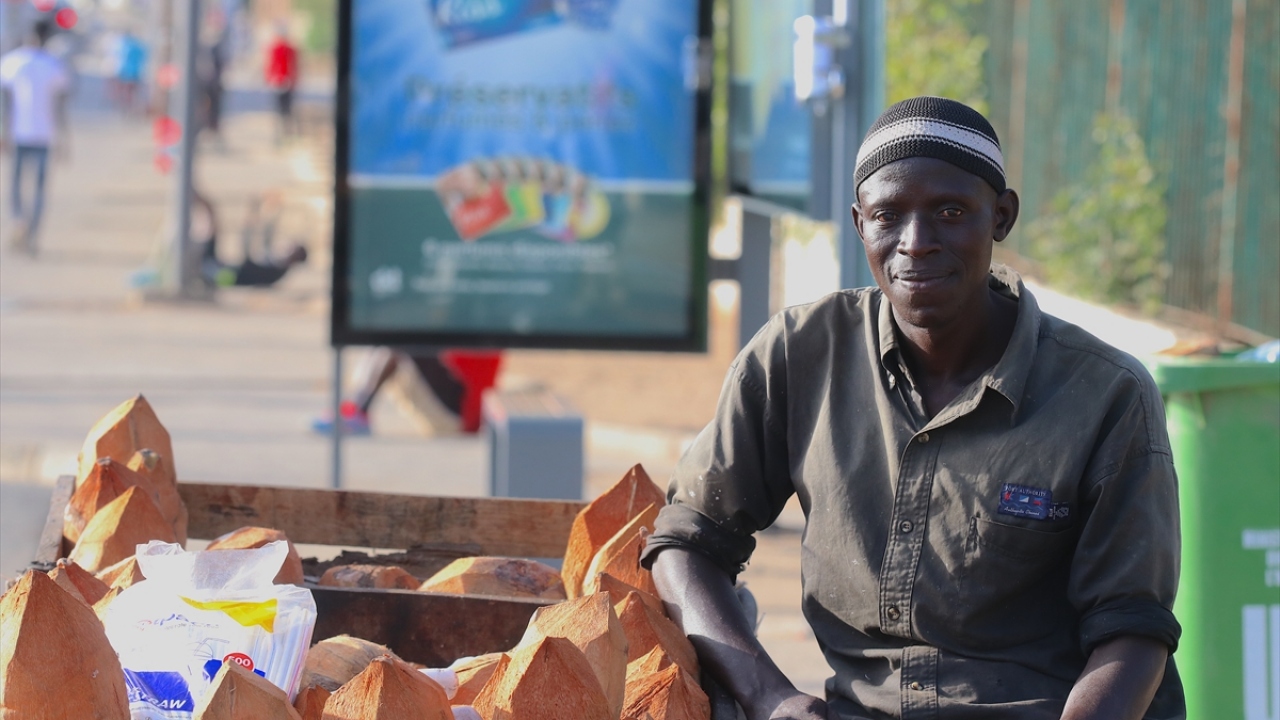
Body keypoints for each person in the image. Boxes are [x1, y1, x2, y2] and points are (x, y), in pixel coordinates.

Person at [643, 97, 1184, 720]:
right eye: (888, 215)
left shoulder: (1106, 393)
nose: (917, 243)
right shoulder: (800, 355)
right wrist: (771, 697)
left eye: (950, 212)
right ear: (858, 224)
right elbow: (686, 541)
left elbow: (1134, 629)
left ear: (1001, 216)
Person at [0, 19, 71, 256]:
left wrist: (3, 131)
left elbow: (5, 102)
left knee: (17, 184)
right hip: (45, 135)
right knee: (40, 189)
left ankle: (19, 219)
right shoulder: (53, 65)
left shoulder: (13, 62)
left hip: (19, 133)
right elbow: (60, 106)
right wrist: (64, 139)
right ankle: (32, 233)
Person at [312, 348, 467, 436]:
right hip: (454, 406)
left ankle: (358, 412)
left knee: (401, 340)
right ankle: (354, 409)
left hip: (456, 416)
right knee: (391, 336)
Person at [191, 188, 307, 289]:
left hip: (216, 273)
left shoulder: (275, 269)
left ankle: (189, 190)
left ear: (294, 259)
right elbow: (264, 238)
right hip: (220, 271)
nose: (285, 246)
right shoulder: (276, 265)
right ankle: (190, 191)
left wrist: (252, 215)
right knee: (210, 219)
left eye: (291, 248)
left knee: (210, 219)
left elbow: (249, 252)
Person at [263, 25, 298, 141]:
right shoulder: (278, 48)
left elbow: (293, 66)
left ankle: (285, 134)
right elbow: (271, 65)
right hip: (280, 82)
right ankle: (281, 134)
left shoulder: (287, 49)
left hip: (283, 81)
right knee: (282, 109)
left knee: (284, 110)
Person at [112, 28, 147, 116]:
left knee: (126, 90)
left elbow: (121, 57)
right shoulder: (138, 46)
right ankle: (131, 106)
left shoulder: (127, 46)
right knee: (132, 91)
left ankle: (127, 106)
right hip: (135, 71)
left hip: (126, 71)